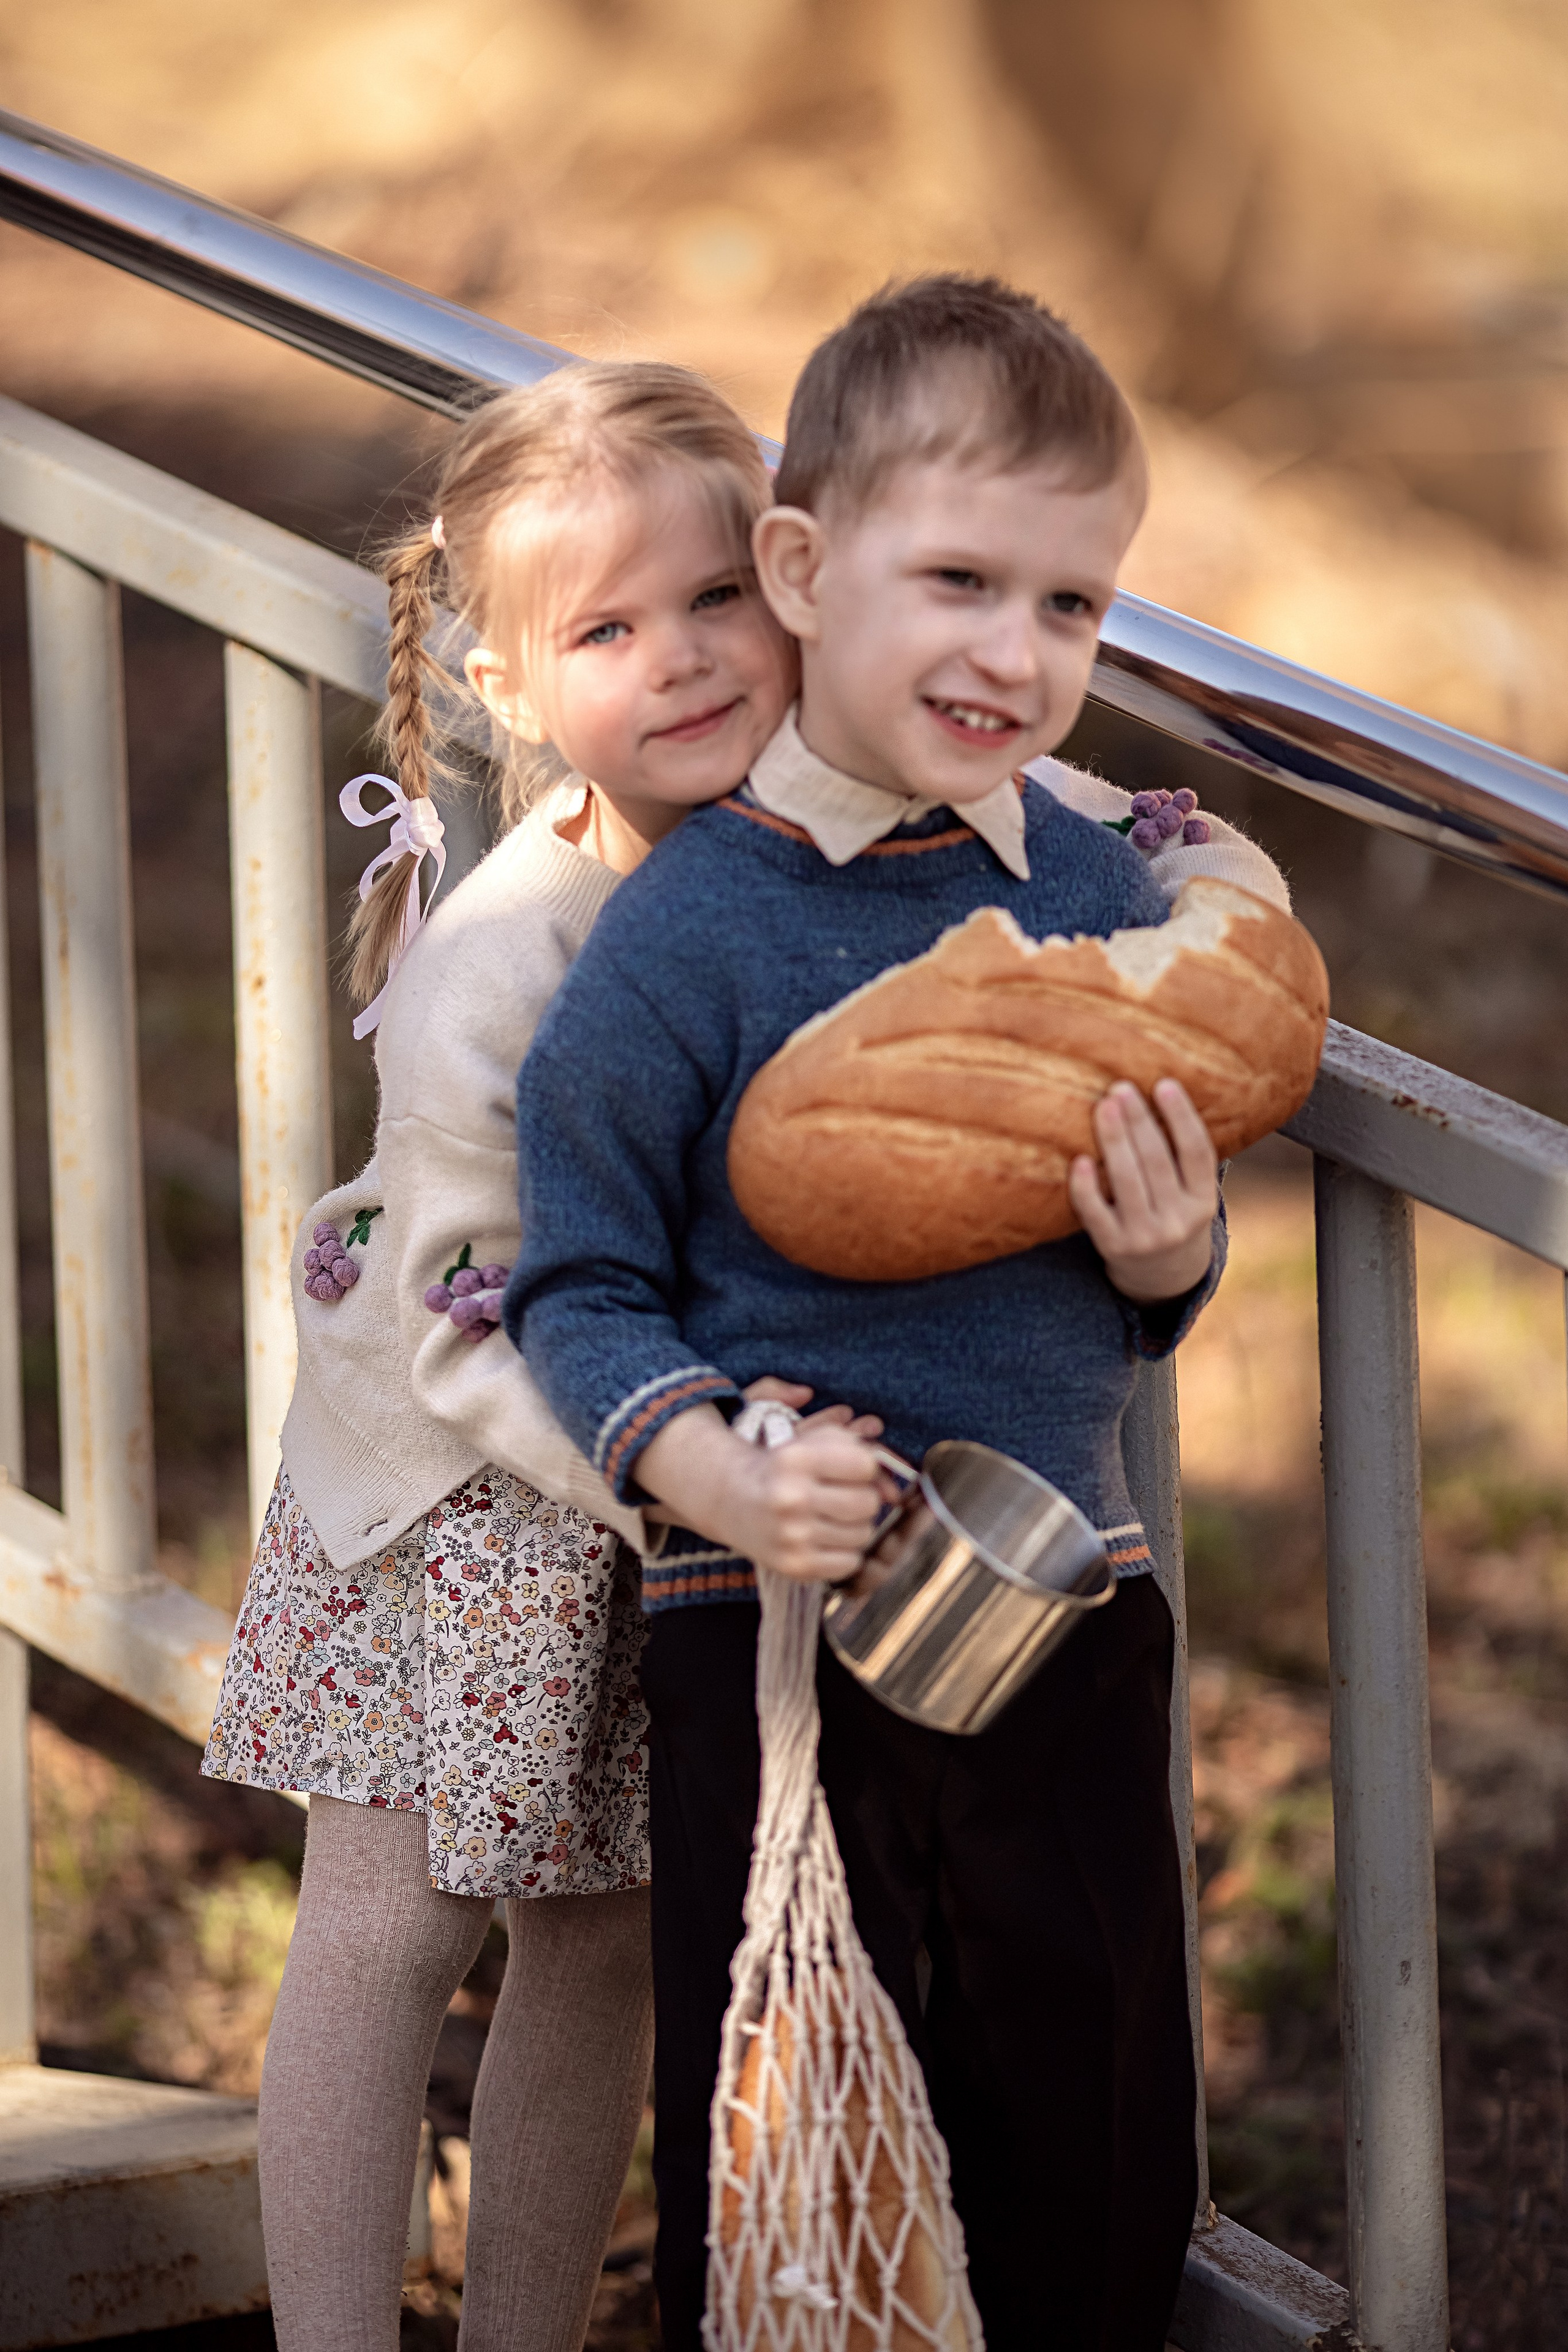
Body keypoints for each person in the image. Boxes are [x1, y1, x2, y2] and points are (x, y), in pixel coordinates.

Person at [505, 277, 1253, 2351]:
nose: (1018, 656)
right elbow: (575, 1276)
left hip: (1063, 1608)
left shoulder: (1096, 912)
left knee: (1094, 2113)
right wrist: (714, 1475)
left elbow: (1104, 1286)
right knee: (802, 2124)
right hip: (776, 1630)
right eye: (961, 583)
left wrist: (1168, 1265)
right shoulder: (688, 939)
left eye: (1076, 609)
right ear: (806, 571)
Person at [202, 359, 831, 2352]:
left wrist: (1167, 845)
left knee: (607, 1937)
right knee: (391, 1926)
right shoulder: (515, 949)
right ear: (510, 687)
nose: (687, 659)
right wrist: (677, 1463)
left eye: (720, 596)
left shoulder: (815, 840)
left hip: (655, 1492)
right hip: (459, 1495)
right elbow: (461, 1291)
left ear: (797, 584)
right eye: (610, 628)